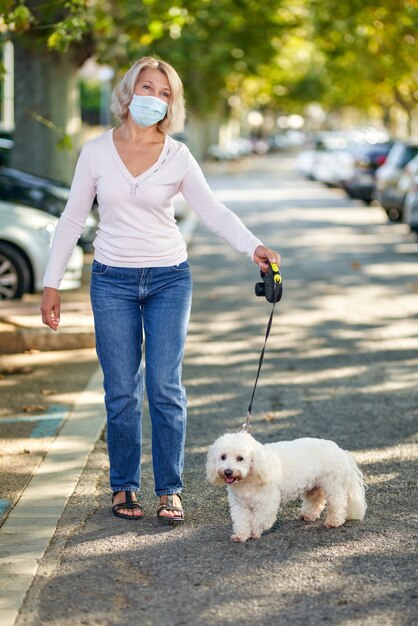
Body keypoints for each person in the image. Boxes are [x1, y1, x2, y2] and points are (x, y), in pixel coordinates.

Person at [40, 56, 280, 524]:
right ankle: (124, 486)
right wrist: (52, 283)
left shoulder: (177, 155)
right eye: (147, 87)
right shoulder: (95, 151)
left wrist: (254, 246)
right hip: (111, 281)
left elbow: (212, 212)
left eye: (165, 92)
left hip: (170, 277)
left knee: (164, 387)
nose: (155, 97)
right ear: (128, 93)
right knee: (121, 392)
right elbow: (72, 218)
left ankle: (169, 489)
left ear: (172, 104)